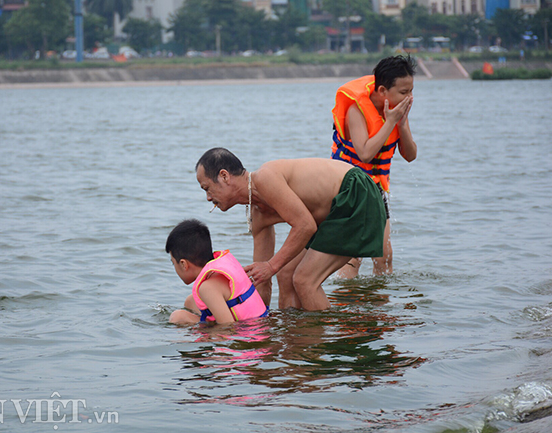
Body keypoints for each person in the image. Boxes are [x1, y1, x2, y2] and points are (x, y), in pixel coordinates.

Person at [195, 148, 386, 311]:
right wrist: (255, 325)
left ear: (224, 176)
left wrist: (271, 266)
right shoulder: (258, 215)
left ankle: (328, 343)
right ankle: (294, 338)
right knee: (286, 274)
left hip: (356, 191)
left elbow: (305, 226)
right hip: (332, 213)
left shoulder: (265, 178)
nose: (208, 198)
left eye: (207, 188)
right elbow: (262, 279)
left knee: (304, 280)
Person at [330, 55, 418, 278]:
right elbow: (366, 154)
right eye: (403, 92)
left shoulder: (397, 110)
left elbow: (410, 155)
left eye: (411, 91)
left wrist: (402, 124)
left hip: (374, 187)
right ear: (382, 91)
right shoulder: (356, 110)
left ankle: (380, 308)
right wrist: (390, 122)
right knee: (352, 257)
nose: (409, 97)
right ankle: (346, 306)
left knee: (384, 255)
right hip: (348, 186)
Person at [166, 219, 268, 325]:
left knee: (177, 317)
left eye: (174, 263)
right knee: (190, 301)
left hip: (249, 334)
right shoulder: (221, 265)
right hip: (258, 322)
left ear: (183, 264)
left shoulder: (207, 288)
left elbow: (227, 328)